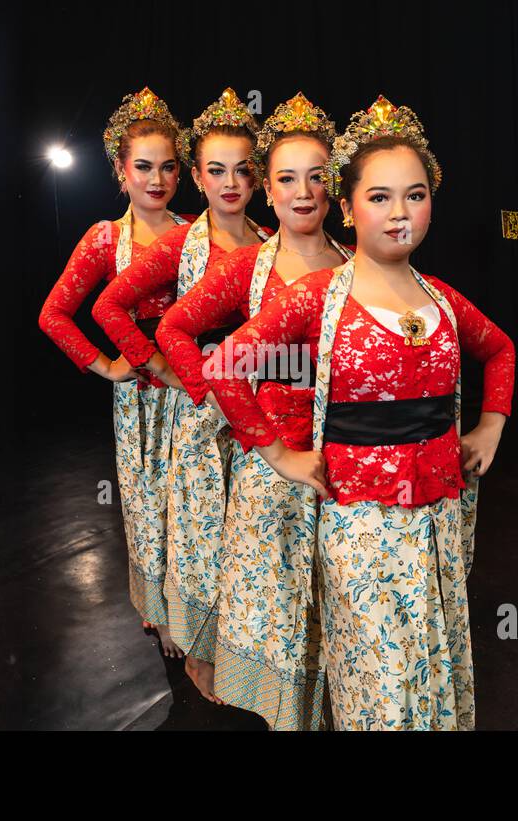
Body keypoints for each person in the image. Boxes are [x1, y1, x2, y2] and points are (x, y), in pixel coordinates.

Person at [204, 97, 515, 730]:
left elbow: (501, 349)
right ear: (347, 207)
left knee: (431, 655)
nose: (400, 212)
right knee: (376, 676)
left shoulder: (442, 296)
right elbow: (224, 368)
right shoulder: (319, 295)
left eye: (416, 194)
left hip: (441, 517)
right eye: (379, 197)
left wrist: (491, 425)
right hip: (361, 523)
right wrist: (280, 455)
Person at [156, 92, 349, 727]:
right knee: (277, 602)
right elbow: (176, 331)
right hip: (273, 467)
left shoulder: (360, 264)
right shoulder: (248, 265)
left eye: (317, 178)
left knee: (336, 603)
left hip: (344, 467)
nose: (303, 193)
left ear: (336, 186)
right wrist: (231, 411)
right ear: (268, 189)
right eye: (287, 179)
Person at [92, 89, 270, 691]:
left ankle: (257, 653)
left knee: (251, 534)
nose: (230, 182)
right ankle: (196, 642)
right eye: (215, 171)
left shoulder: (273, 242)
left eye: (244, 170)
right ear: (200, 176)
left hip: (261, 405)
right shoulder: (180, 243)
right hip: (196, 410)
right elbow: (110, 307)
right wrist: (155, 369)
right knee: (197, 528)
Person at [38, 88, 191, 655]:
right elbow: (53, 315)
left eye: (169, 166)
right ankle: (163, 616)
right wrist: (105, 367)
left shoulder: (199, 230)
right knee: (148, 498)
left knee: (196, 499)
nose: (157, 179)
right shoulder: (105, 238)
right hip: (143, 396)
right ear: (120, 172)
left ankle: (200, 604)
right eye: (143, 167)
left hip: (195, 388)